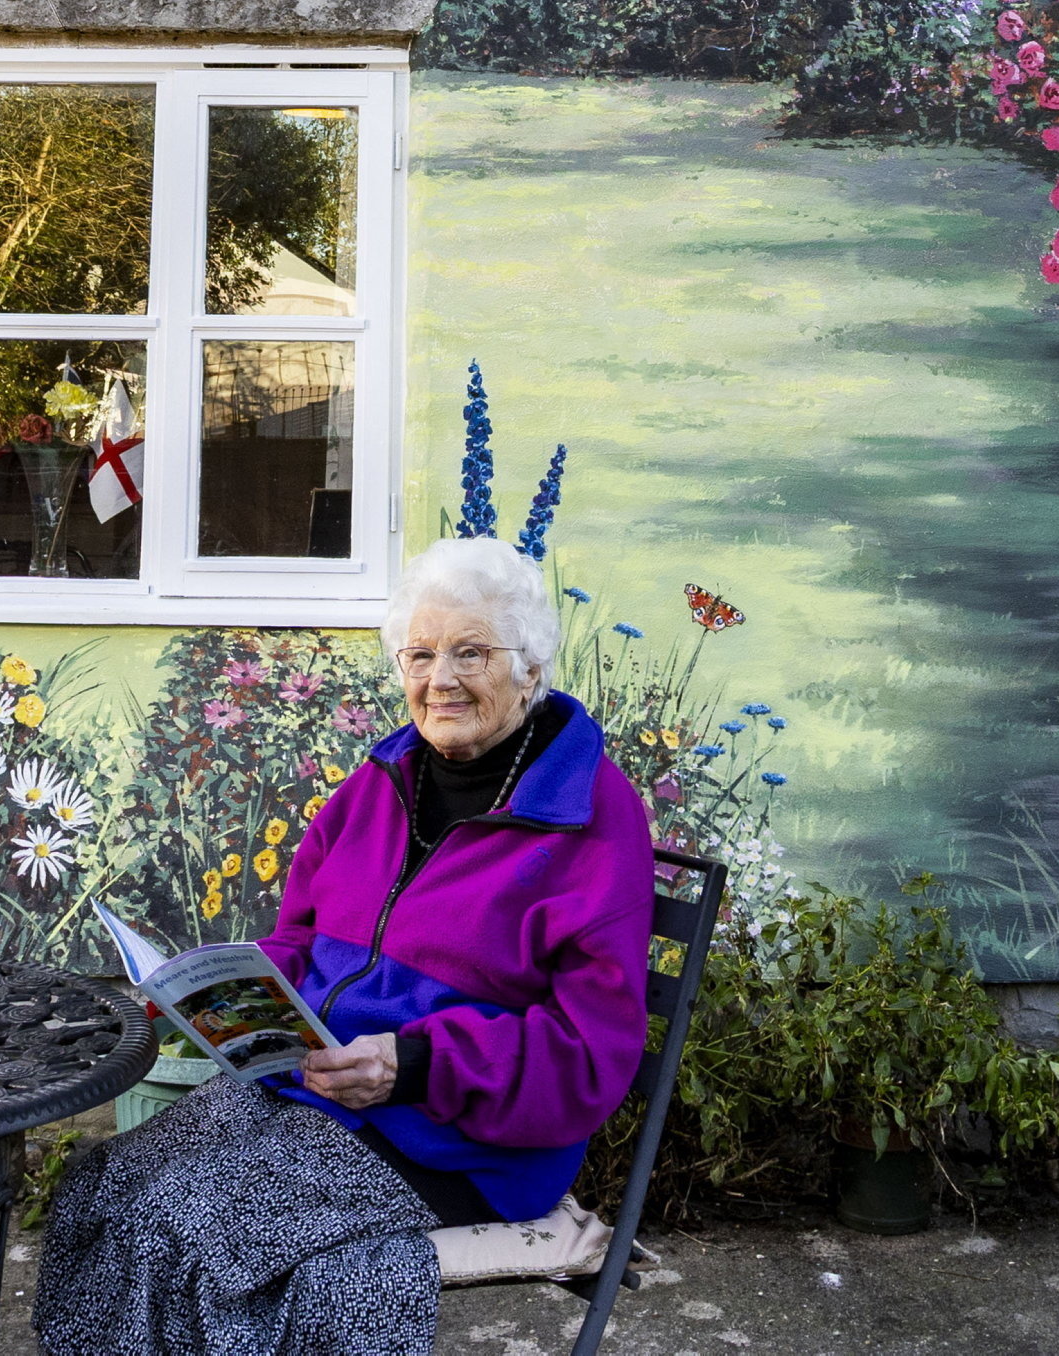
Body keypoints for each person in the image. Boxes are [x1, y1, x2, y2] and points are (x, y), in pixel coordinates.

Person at [33, 536, 658, 1355]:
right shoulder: (383, 780)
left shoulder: (590, 820)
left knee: (190, 1231)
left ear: (532, 666)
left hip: (455, 1140)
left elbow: (587, 1057)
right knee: (100, 1189)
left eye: (471, 653)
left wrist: (415, 1063)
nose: (440, 679)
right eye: (422, 653)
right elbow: (302, 936)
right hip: (318, 1092)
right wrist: (223, 990)